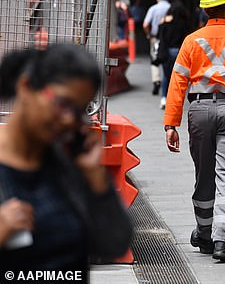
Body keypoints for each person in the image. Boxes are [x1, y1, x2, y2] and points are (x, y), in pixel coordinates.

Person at [0, 44, 132, 273]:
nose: (69, 119)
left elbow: (114, 244)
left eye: (79, 110)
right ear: (26, 87)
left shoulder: (70, 167)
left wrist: (97, 179)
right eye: (63, 104)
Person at [163, 0, 225, 263]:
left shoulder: (191, 41)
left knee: (204, 174)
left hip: (200, 111)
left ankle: (204, 233)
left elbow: (177, 83)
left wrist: (171, 124)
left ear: (204, 10)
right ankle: (223, 242)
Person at [157, 1, 190, 110]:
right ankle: (175, 101)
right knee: (177, 78)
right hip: (178, 51)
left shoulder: (165, 23)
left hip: (166, 52)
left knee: (166, 76)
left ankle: (163, 98)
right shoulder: (184, 23)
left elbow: (160, 36)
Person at [143, 0, 171, 95]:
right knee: (166, 60)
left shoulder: (153, 9)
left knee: (155, 58)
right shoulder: (170, 8)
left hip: (155, 38)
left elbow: (145, 24)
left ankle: (156, 80)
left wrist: (149, 35)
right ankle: (166, 80)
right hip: (168, 39)